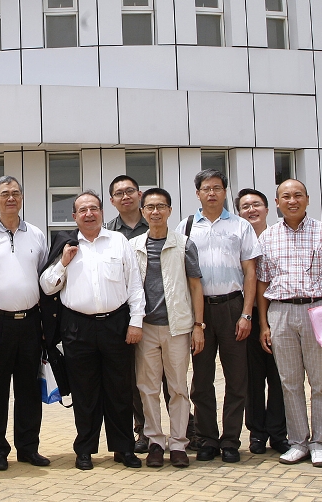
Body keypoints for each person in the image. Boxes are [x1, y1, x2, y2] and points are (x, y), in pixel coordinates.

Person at [41, 191, 146, 470]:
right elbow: (47, 286)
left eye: (94, 208)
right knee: (84, 392)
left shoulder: (118, 241)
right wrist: (63, 262)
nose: (89, 214)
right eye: (82, 210)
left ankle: (124, 448)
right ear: (74, 216)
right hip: (78, 327)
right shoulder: (66, 244)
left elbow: (134, 284)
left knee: (119, 390)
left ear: (101, 212)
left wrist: (136, 321)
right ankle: (85, 449)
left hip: (117, 324)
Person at [255, 179, 322, 468]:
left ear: (308, 199)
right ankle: (298, 441)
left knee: (321, 382)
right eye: (285, 196)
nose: (292, 200)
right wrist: (264, 324)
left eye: (298, 195)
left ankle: (320, 442)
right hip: (281, 313)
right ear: (277, 203)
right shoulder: (268, 237)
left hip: (319, 310)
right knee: (289, 382)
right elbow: (263, 283)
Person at [0, 175, 51, 471]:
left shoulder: (37, 235)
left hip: (31, 321)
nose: (10, 198)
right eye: (4, 194)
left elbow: (43, 279)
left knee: (29, 387)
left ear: (21, 197)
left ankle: (28, 447)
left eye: (16, 193)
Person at [183, 169, 259, 464]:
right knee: (201, 380)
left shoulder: (241, 226)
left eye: (217, 187)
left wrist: (247, 314)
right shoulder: (187, 227)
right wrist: (193, 321)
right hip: (199, 311)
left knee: (236, 379)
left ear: (225, 192)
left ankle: (230, 440)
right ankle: (207, 439)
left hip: (232, 308)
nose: (211, 193)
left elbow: (251, 272)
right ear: (198, 193)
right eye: (206, 188)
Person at [128, 188, 203, 469]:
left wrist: (198, 325)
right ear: (143, 212)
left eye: (161, 206)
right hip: (145, 328)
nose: (155, 212)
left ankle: (179, 443)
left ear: (170, 210)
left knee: (178, 388)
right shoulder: (134, 245)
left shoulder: (184, 244)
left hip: (178, 327)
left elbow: (196, 285)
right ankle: (155, 442)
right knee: (147, 388)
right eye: (150, 207)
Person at [235, 188, 288, 455]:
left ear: (268, 209)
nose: (251, 210)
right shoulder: (237, 238)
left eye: (256, 205)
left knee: (280, 376)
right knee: (252, 378)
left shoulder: (279, 237)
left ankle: (279, 432)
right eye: (245, 207)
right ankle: (257, 433)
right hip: (248, 316)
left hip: (279, 315)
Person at [105, 174, 151, 452]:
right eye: (119, 193)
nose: (125, 196)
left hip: (160, 312)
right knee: (134, 378)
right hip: (126, 317)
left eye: (130, 191)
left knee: (169, 378)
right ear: (112, 201)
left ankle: (187, 428)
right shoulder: (109, 232)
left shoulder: (157, 223)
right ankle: (142, 430)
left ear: (140, 194)